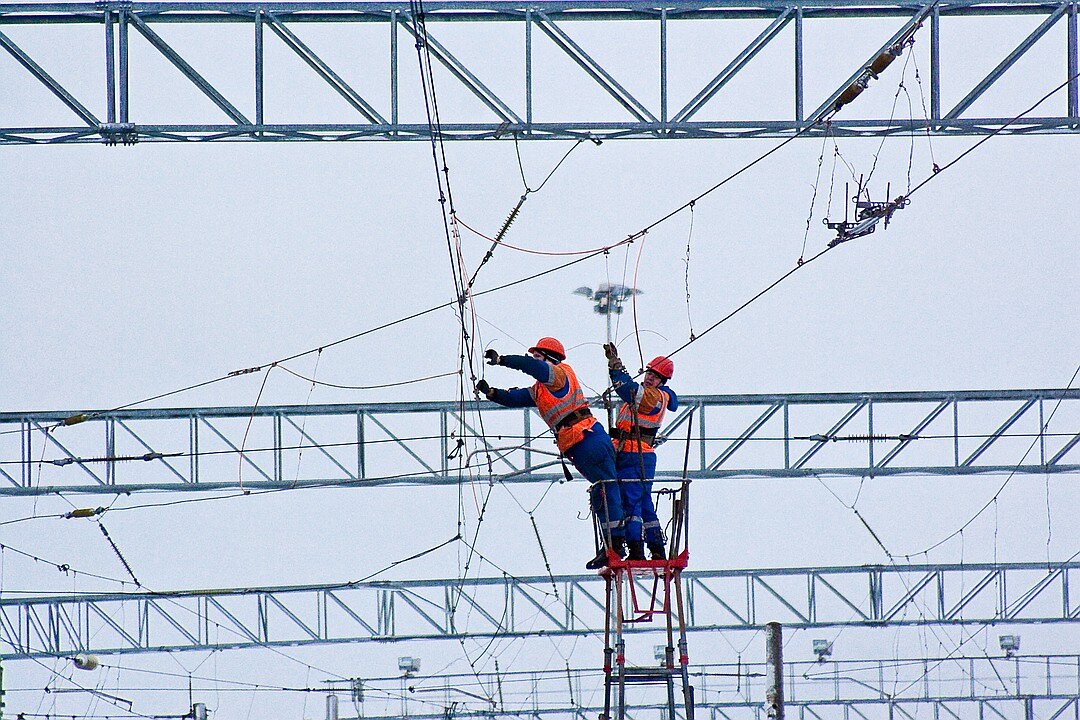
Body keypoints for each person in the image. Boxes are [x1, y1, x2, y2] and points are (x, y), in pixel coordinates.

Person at [475, 337, 626, 569]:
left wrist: (502, 360)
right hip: (578, 442)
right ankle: (611, 544)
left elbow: (532, 366)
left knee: (606, 488)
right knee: (601, 490)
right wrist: (492, 393)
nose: (535, 361)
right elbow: (515, 398)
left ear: (550, 358)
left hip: (587, 436)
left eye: (538, 356)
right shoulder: (540, 390)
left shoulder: (558, 374)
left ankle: (617, 544)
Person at [605, 343, 677, 561]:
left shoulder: (653, 397)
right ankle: (657, 549)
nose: (649, 378)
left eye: (655, 377)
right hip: (636, 453)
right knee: (644, 502)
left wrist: (615, 365)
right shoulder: (651, 395)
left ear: (662, 382)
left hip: (635, 454)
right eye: (649, 373)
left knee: (632, 501)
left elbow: (626, 389)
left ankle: (636, 550)